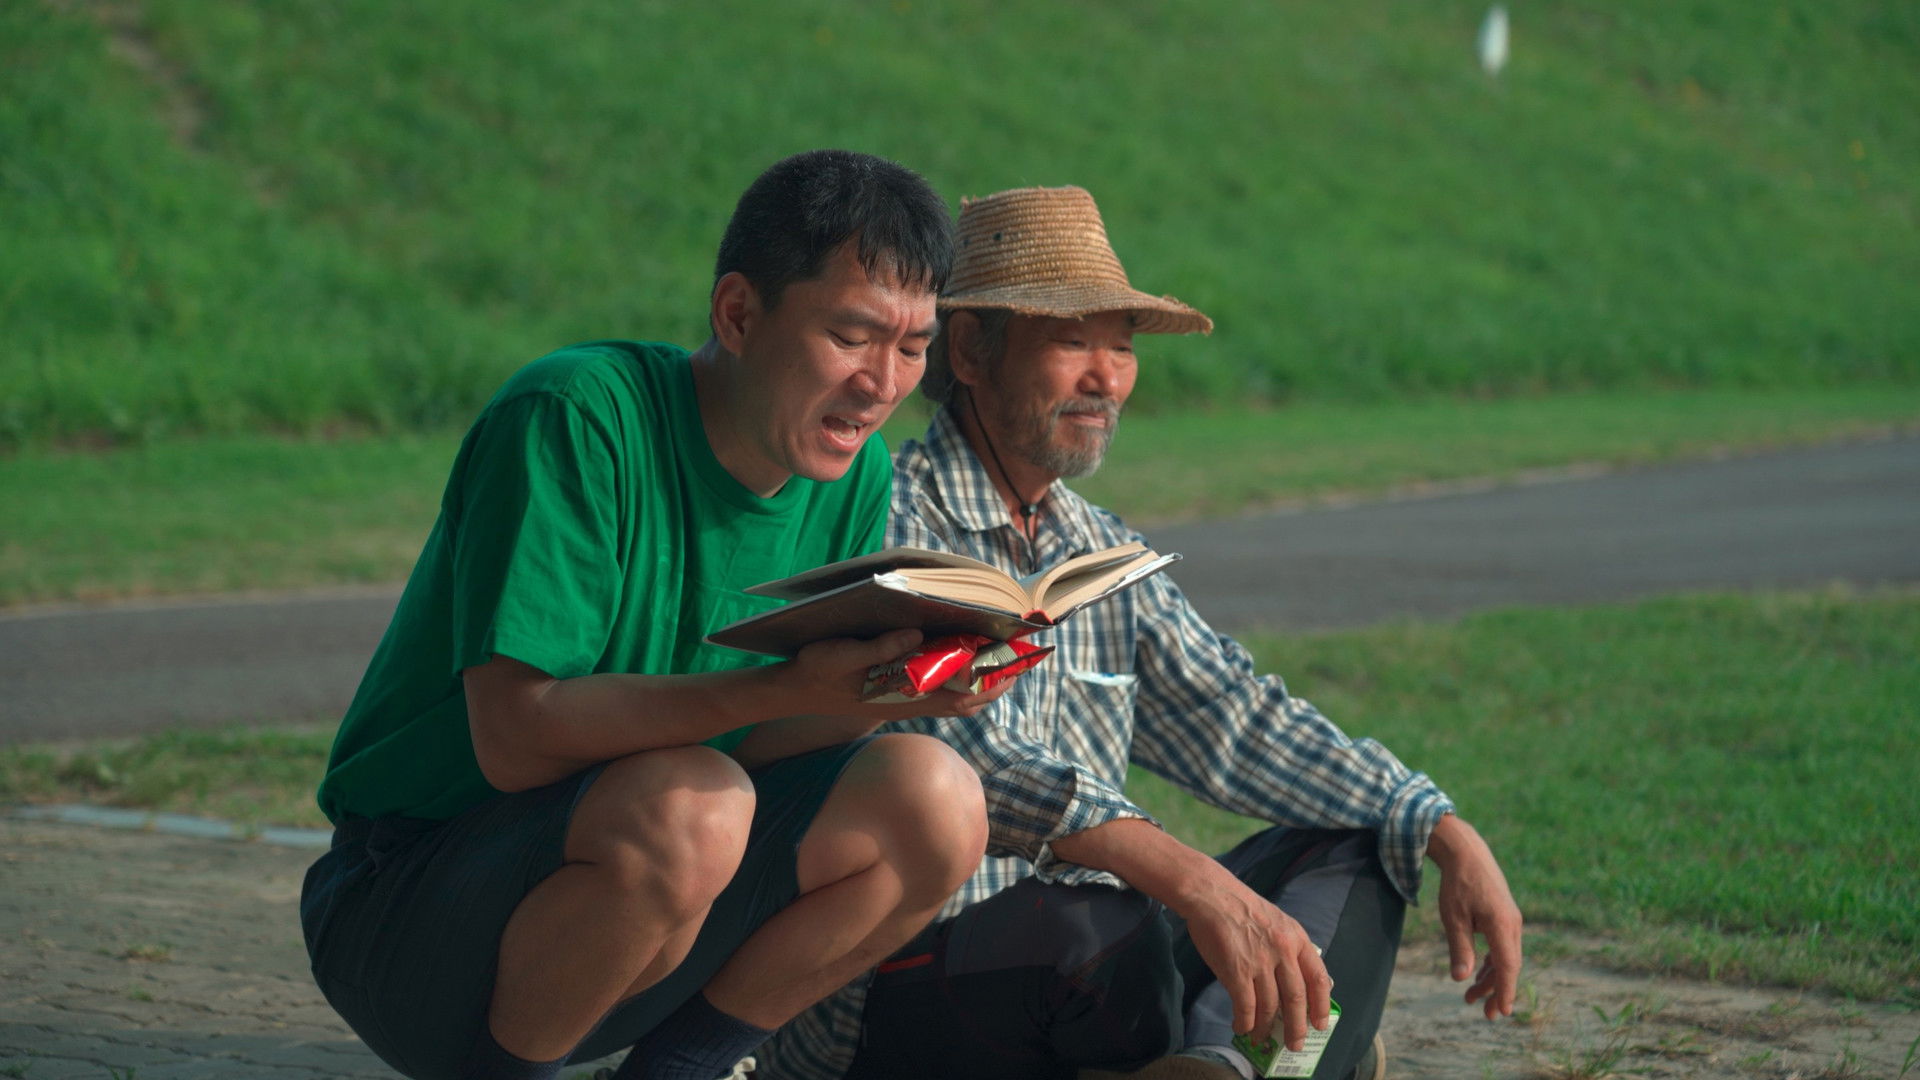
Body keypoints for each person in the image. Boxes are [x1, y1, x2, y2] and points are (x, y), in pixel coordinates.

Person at [756, 186, 1525, 1080]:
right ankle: (1310, 1056)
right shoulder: (887, 514)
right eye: (1071, 342)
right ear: (968, 351)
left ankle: (1234, 1067)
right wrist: (1189, 879)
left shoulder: (1099, 551)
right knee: (1093, 921)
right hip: (907, 986)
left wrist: (1439, 824)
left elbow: (1235, 714)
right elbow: (966, 757)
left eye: (1121, 347)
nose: (1106, 379)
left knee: (1361, 839)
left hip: (1109, 974)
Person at [299, 150, 1008, 1080]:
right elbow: (515, 740)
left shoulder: (853, 472)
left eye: (912, 349)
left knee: (936, 799)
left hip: (640, 905)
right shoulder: (575, 416)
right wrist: (782, 687)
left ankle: (678, 1070)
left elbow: (757, 744)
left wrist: (884, 691)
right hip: (408, 905)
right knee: (692, 803)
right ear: (738, 314)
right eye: (851, 336)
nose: (881, 384)